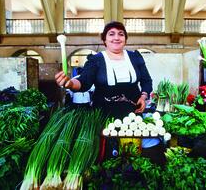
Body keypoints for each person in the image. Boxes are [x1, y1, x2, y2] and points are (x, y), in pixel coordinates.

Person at [55, 21, 153, 161]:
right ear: (104, 40)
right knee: (107, 154)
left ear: (125, 38)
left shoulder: (135, 57)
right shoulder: (96, 60)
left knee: (132, 152)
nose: (116, 37)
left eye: (121, 34)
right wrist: (69, 83)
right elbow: (84, 82)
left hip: (132, 113)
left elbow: (146, 81)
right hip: (104, 115)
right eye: (111, 34)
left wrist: (143, 96)